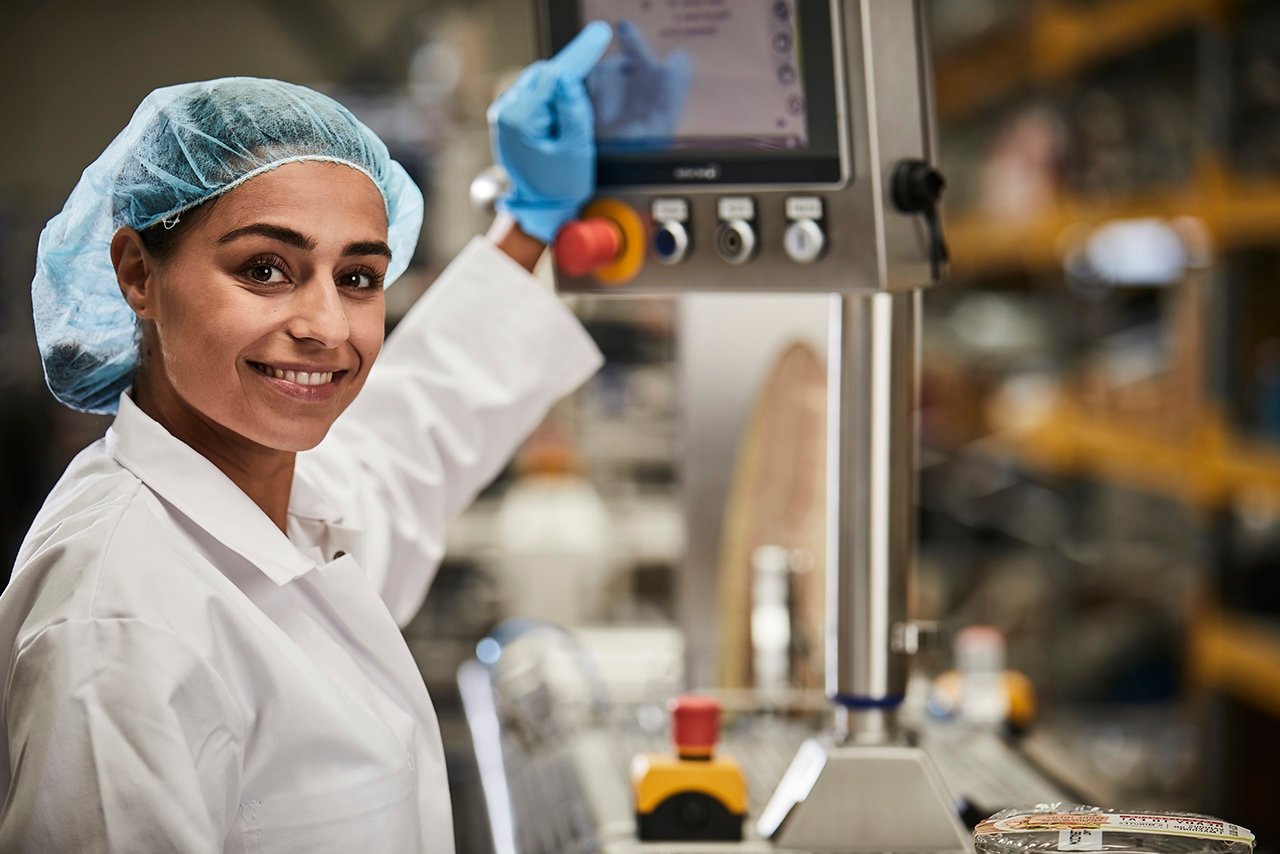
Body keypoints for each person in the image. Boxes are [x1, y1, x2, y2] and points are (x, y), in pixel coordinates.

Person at [0, 22, 613, 853]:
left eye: (358, 277)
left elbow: (413, 436)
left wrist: (528, 221)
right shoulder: (117, 626)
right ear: (138, 274)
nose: (328, 325)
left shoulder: (275, 502)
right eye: (264, 269)